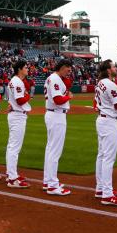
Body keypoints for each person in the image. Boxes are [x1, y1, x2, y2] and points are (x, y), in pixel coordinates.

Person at [93, 59, 117, 207]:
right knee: (108, 158)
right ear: (108, 70)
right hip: (109, 122)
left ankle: (100, 188)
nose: (115, 68)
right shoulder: (109, 83)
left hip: (102, 119)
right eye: (113, 66)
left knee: (101, 155)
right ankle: (107, 194)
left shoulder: (99, 83)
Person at [43, 59, 73, 196]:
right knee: (55, 151)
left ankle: (48, 181)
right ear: (61, 67)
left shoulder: (54, 78)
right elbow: (58, 100)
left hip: (53, 114)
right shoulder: (54, 78)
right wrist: (68, 96)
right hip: (56, 116)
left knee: (50, 150)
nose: (70, 70)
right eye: (68, 67)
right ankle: (53, 185)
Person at [4, 60, 32, 188]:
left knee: (12, 146)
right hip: (17, 115)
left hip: (15, 114)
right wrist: (28, 96)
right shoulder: (17, 81)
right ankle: (12, 179)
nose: (27, 69)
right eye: (26, 67)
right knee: (14, 147)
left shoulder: (14, 81)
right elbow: (21, 100)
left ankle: (11, 173)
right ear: (20, 69)